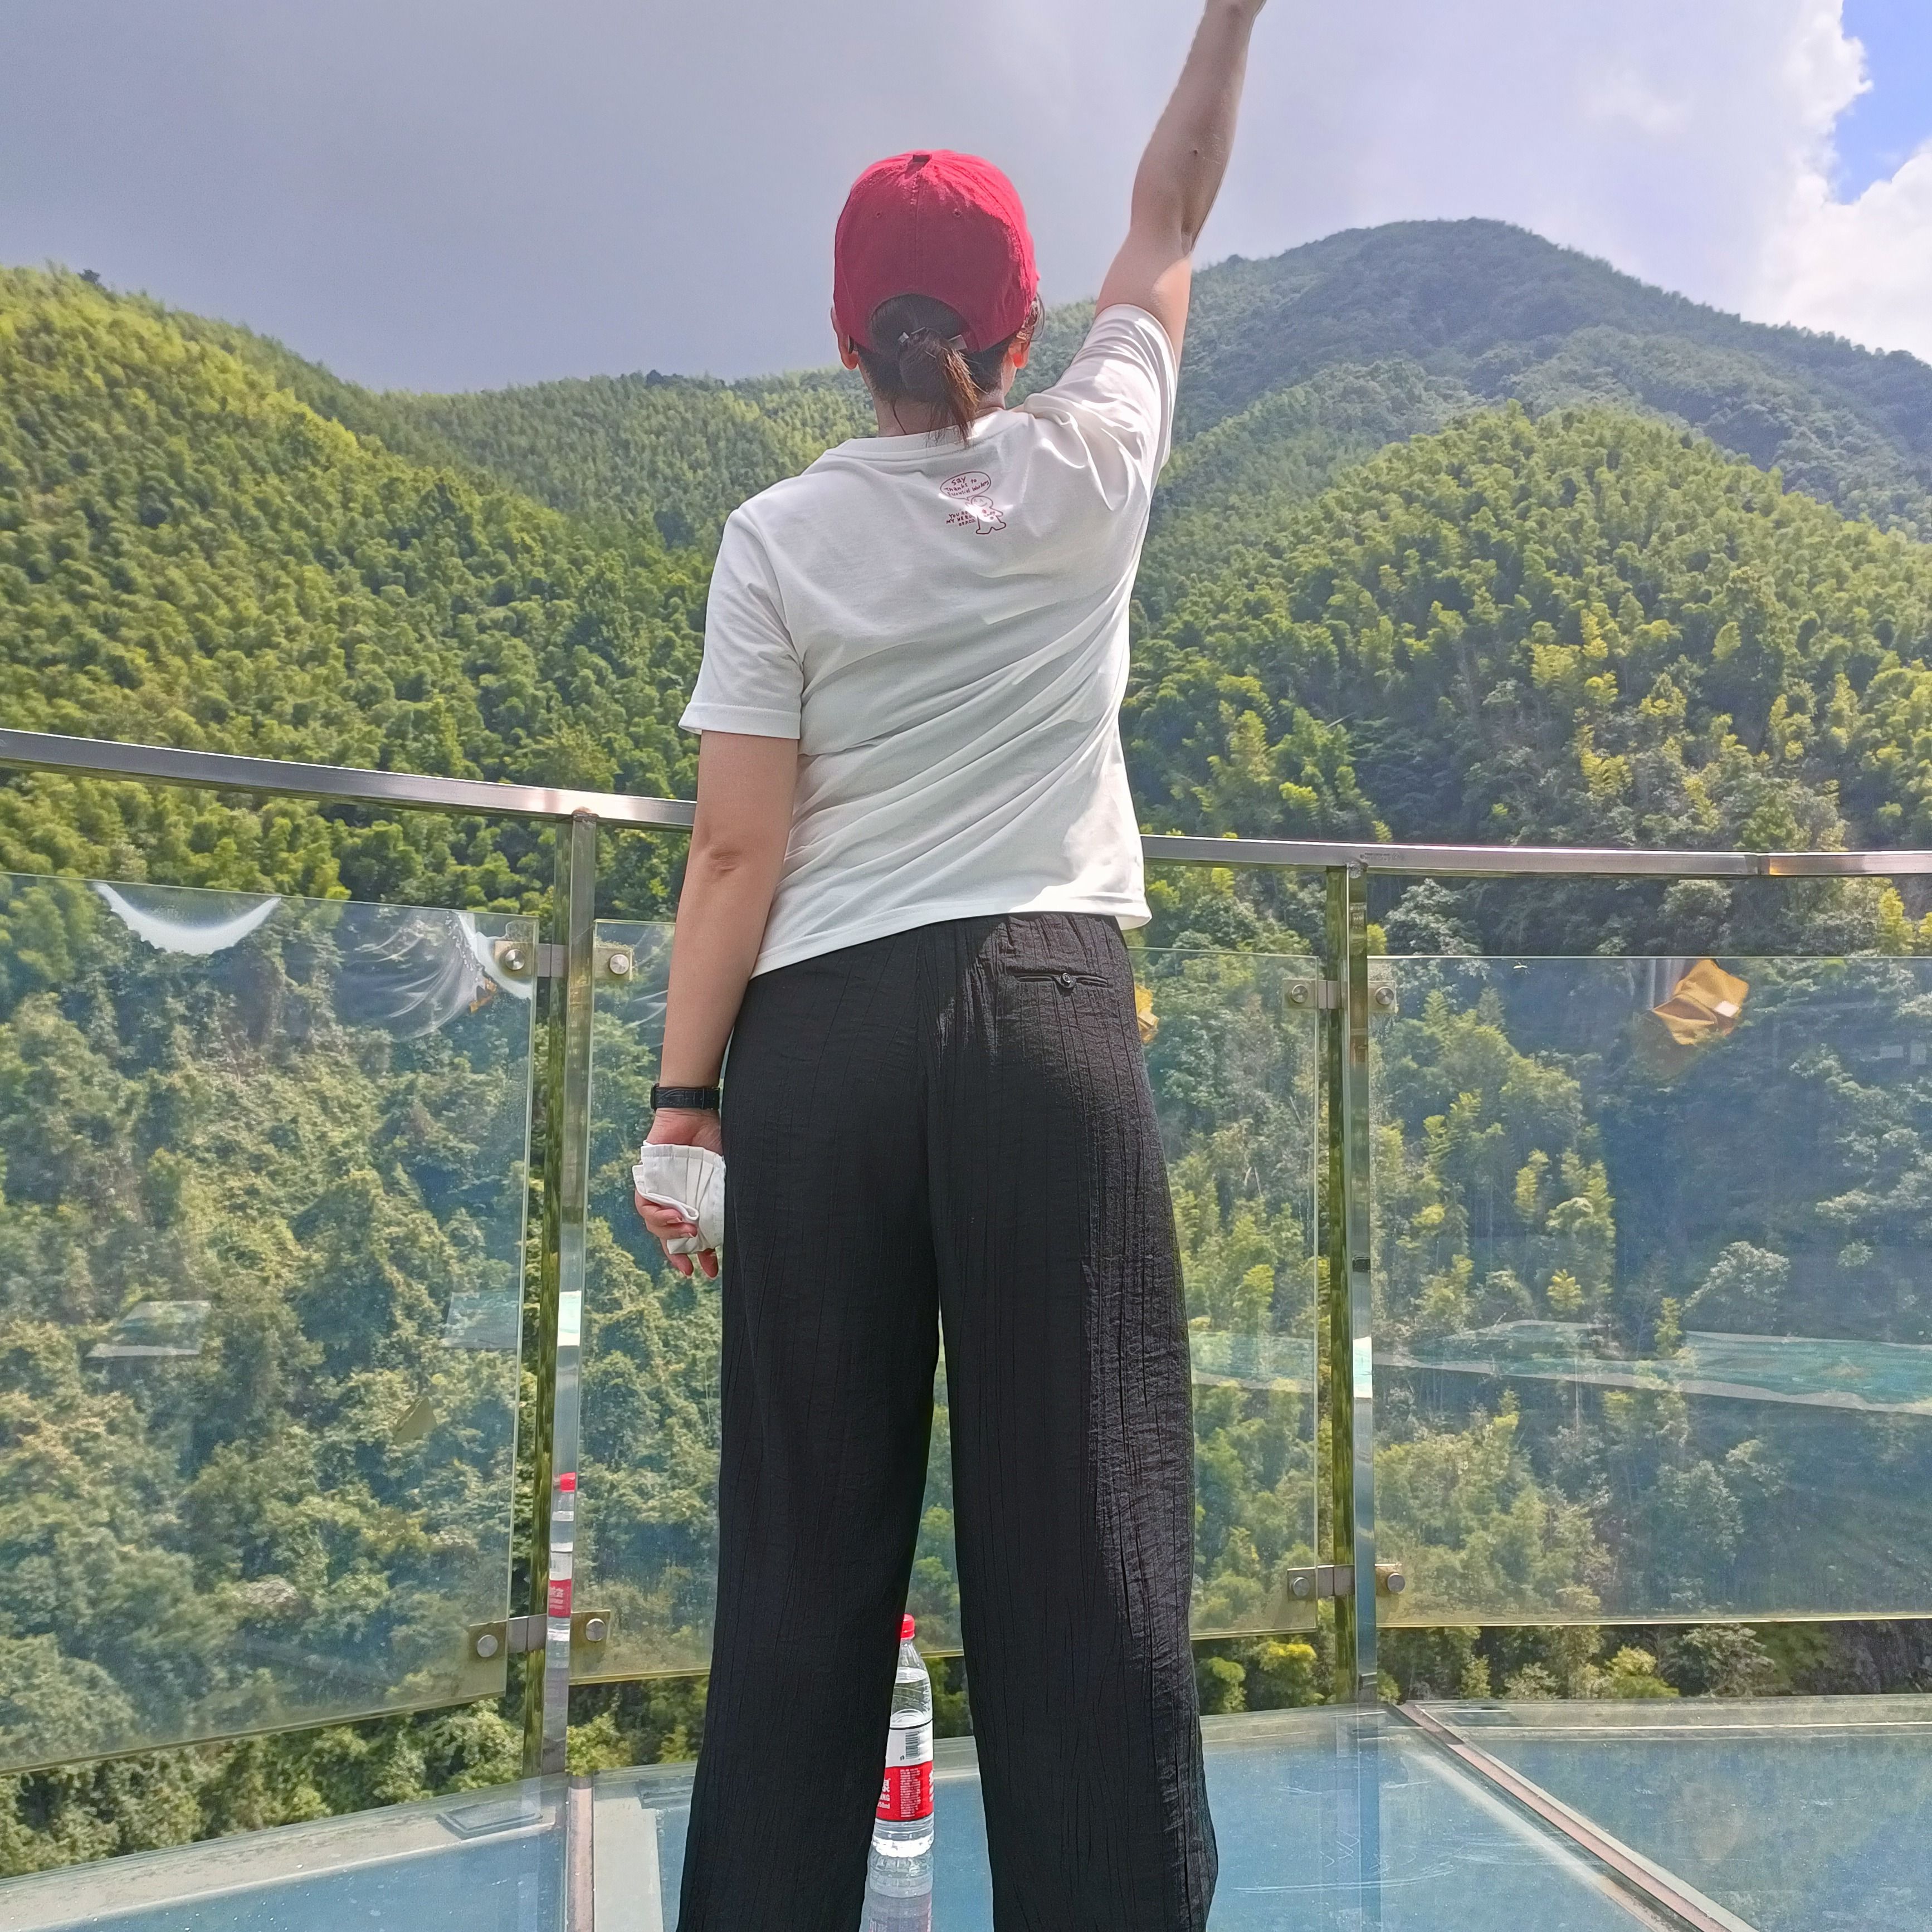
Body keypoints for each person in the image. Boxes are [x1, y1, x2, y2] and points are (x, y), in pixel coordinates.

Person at [636, 4, 1269, 1924]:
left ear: (846, 337)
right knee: (1091, 1567)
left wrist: (682, 1108)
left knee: (802, 1575)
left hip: (818, 1052)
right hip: (1045, 1028)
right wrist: (1230, 15)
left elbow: (735, 850)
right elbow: (1168, 213)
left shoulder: (774, 538)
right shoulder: (1092, 461)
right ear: (1017, 332)